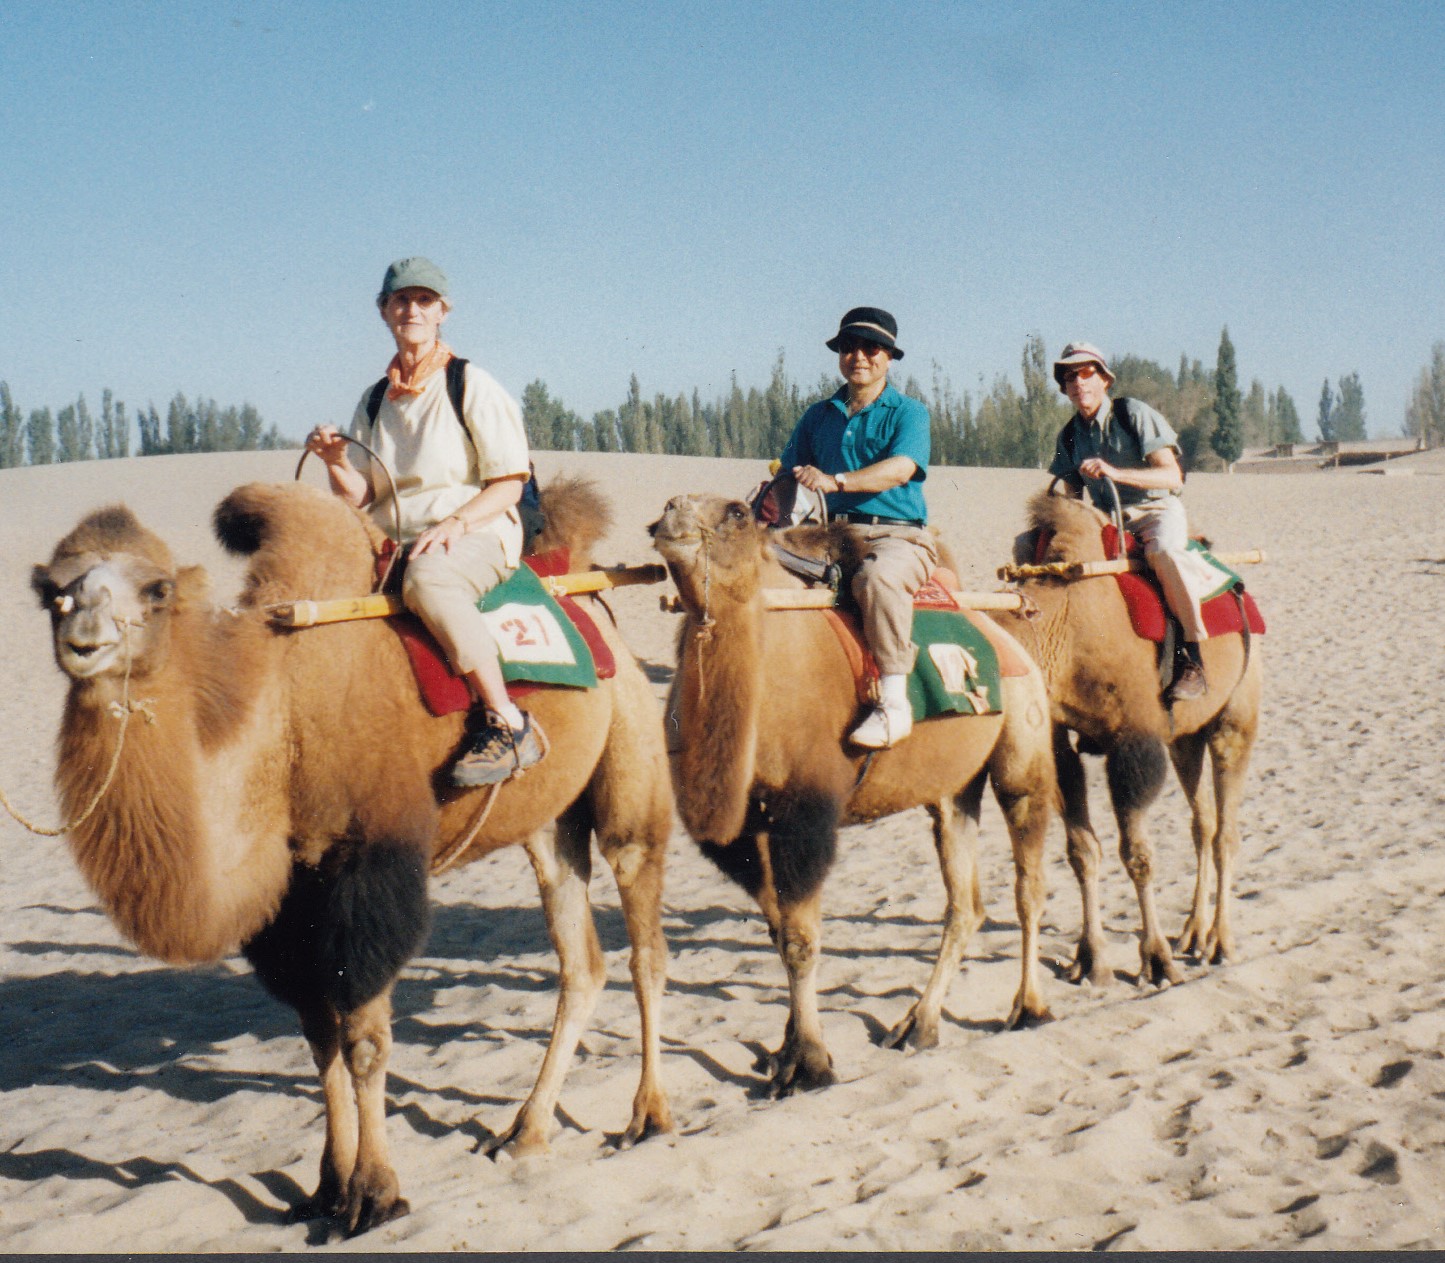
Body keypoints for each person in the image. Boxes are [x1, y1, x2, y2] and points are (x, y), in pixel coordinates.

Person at [305, 257, 545, 785]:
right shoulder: (373, 400)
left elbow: (509, 481)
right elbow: (361, 495)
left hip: (477, 531)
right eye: (400, 300)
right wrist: (335, 461)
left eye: (424, 300)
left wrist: (457, 524)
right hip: (398, 538)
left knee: (430, 579)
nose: (411, 309)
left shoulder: (470, 384)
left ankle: (508, 722)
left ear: (443, 312)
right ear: (384, 311)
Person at [780, 307, 935, 748]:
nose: (859, 357)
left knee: (878, 579)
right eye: (849, 348)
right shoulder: (817, 416)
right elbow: (788, 471)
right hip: (828, 535)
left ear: (888, 357)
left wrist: (837, 481)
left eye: (871, 348)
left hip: (896, 535)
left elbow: (902, 468)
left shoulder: (909, 413)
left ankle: (893, 701)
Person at [1047, 341, 1208, 702]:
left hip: (1154, 513)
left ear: (1105, 380)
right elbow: (1070, 495)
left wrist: (1115, 473)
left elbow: (1172, 477)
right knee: (1037, 548)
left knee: (1165, 553)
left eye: (1087, 373)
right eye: (1069, 376)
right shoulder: (1070, 434)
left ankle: (1193, 659)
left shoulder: (1132, 413)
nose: (1078, 382)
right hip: (1106, 520)